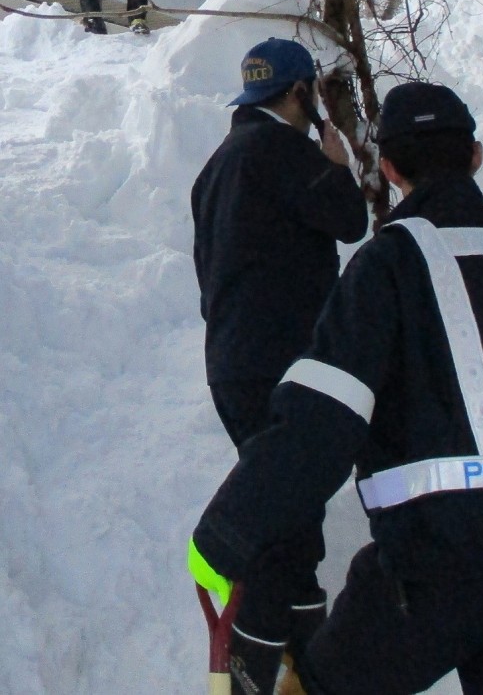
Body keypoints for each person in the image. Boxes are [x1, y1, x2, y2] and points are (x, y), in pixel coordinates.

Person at [188, 80, 483, 695]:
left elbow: (320, 423)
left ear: (393, 168)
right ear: (476, 156)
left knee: (325, 682)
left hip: (429, 575)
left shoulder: (385, 267)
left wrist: (226, 533)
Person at [191, 38, 369, 688]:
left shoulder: (217, 164)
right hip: (284, 364)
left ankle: (306, 654)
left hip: (231, 363)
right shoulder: (288, 151)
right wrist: (337, 165)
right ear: (299, 94)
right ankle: (251, 664)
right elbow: (350, 222)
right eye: (312, 95)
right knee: (282, 517)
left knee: (294, 512)